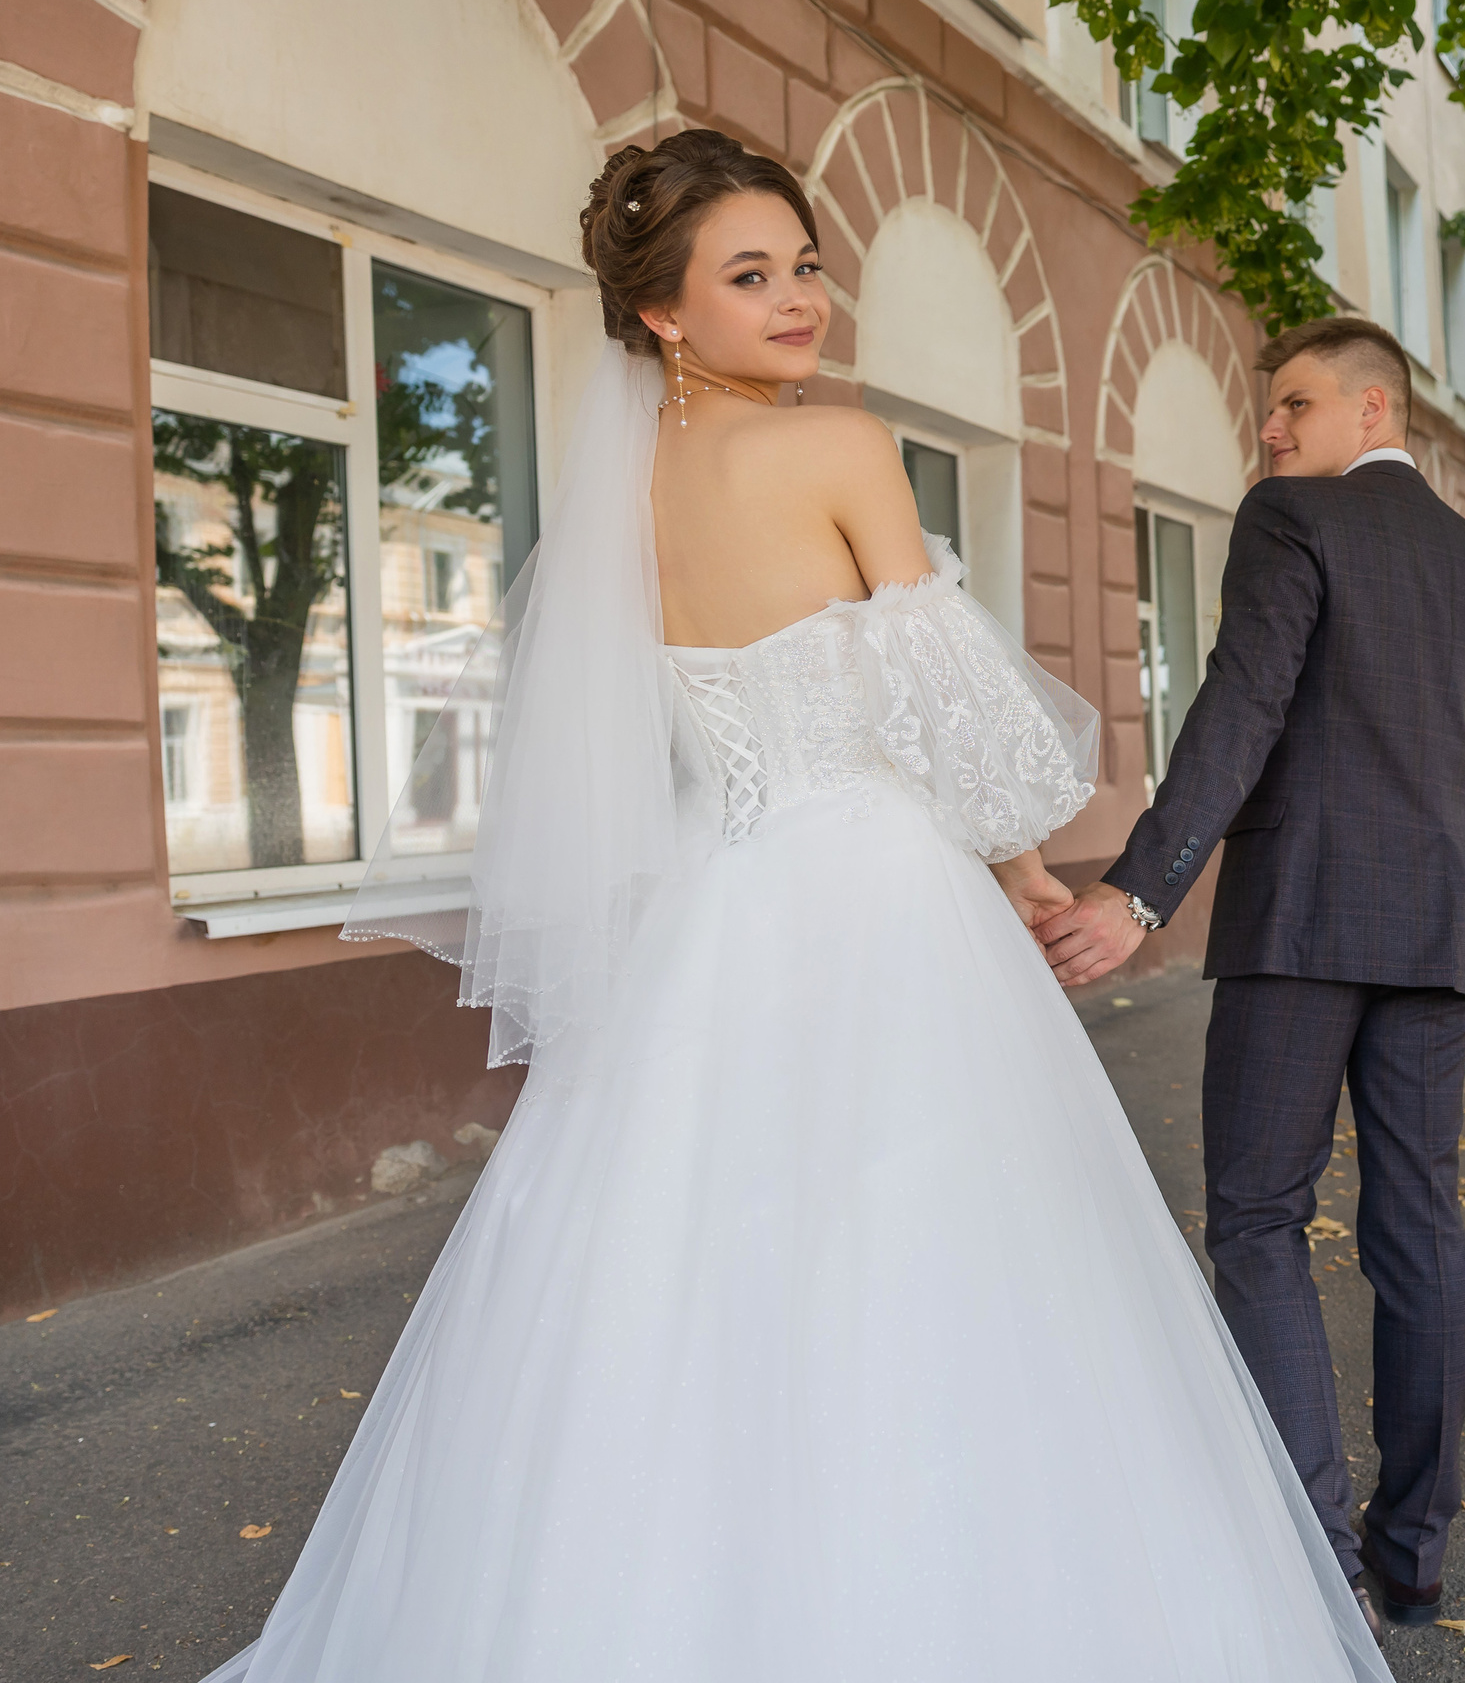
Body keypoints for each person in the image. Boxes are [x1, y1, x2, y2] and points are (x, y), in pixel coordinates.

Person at [202, 130, 1394, 1682]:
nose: (797, 299)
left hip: (715, 911)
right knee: (943, 1258)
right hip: (879, 897)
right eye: (750, 276)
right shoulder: (839, 446)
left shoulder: (615, 505)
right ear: (663, 313)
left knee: (685, 1269)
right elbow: (944, 711)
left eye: (806, 266)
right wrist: (1033, 878)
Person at [1036, 317, 1465, 1627]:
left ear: (1376, 410)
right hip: (1437, 936)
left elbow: (1242, 702)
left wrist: (1142, 889)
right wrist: (1461, 935)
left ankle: (1319, 1559)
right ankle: (1411, 1559)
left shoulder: (1291, 518)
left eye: (1297, 404)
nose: (1271, 427)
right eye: (1271, 408)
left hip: (1302, 927)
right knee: (1420, 1226)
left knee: (1259, 1218)